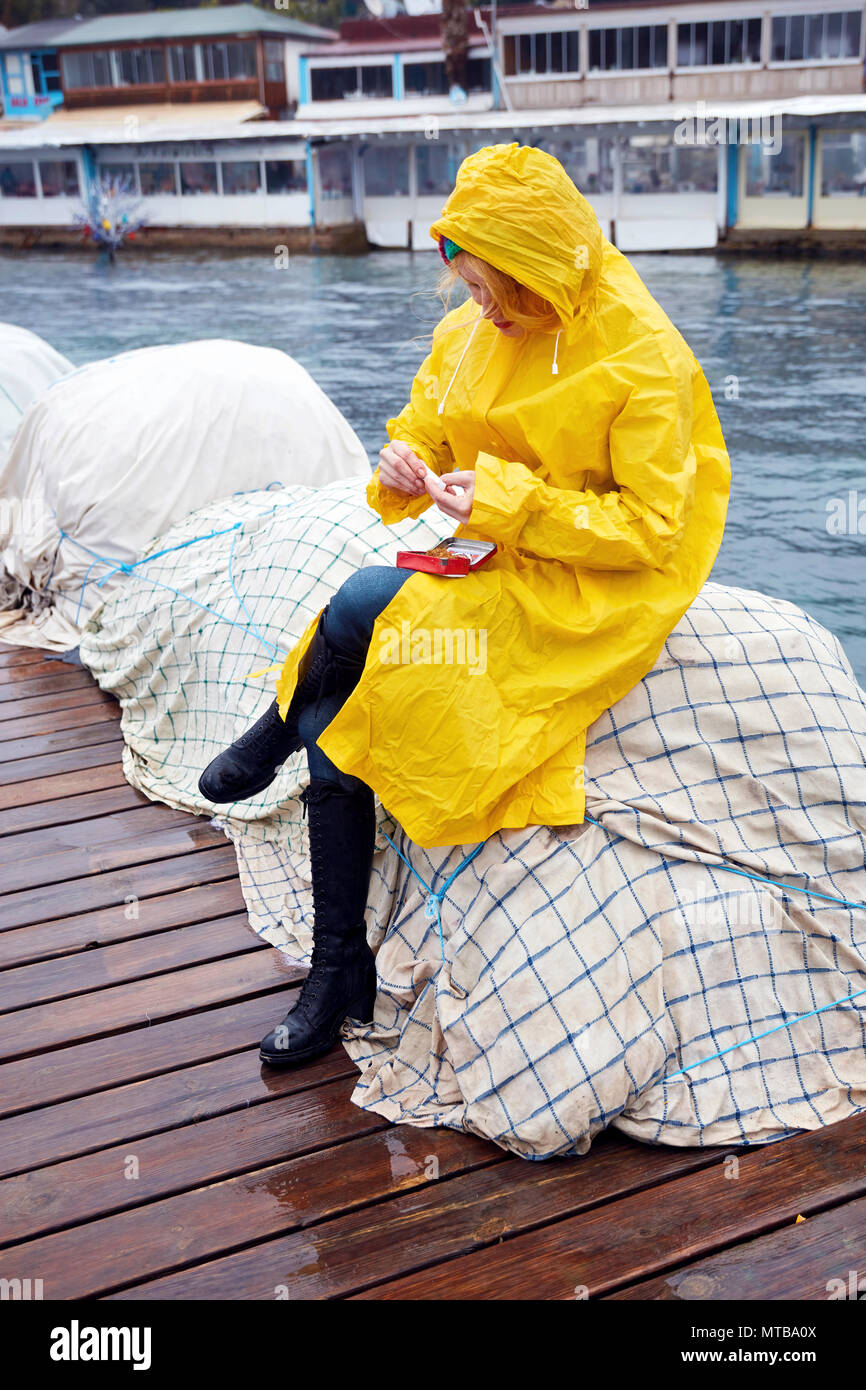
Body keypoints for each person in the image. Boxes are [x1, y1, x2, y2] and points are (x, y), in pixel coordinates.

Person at [199, 141, 731, 1068]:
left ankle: (287, 764)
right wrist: (402, 465)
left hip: (591, 587)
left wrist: (501, 501)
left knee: (365, 608)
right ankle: (337, 960)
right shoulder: (478, 327)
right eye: (470, 287)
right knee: (357, 686)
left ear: (535, 271)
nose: (477, 308)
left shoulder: (642, 351)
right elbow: (426, 425)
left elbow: (651, 528)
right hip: (493, 549)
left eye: (493, 291)